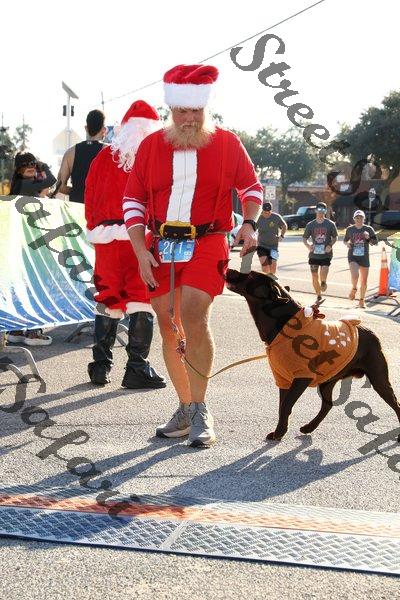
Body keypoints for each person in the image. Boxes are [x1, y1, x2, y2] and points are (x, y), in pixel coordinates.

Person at [123, 63, 263, 448]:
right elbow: (133, 201)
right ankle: (185, 408)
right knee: (168, 323)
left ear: (205, 109)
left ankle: (201, 409)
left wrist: (249, 224)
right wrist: (139, 250)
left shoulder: (227, 143)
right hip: (160, 245)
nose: (188, 118)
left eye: (195, 111)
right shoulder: (151, 146)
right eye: (182, 110)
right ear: (170, 110)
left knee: (193, 314)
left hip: (208, 240)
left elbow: (251, 189)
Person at [84, 101, 166, 389]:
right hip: (140, 237)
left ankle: (100, 366)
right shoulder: (154, 156)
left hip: (106, 237)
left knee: (108, 296)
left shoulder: (103, 157)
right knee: (141, 298)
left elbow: (90, 194)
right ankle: (136, 367)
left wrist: (95, 228)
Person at [7, 152, 56, 346]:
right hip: (29, 246)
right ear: (18, 169)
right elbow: (51, 180)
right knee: (35, 286)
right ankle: (33, 333)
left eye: (33, 164)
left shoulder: (22, 186)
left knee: (23, 286)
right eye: (26, 164)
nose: (31, 167)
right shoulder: (24, 185)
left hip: (25, 244)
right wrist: (43, 165)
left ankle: (16, 330)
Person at [57, 109, 106, 203]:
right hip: (100, 207)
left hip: (77, 207)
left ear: (86, 128)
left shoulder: (70, 153)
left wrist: (77, 191)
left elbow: (60, 186)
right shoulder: (108, 152)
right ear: (104, 129)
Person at [303, 201, 338, 301]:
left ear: (325, 211)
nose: (321, 211)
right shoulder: (310, 225)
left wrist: (330, 245)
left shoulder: (330, 224)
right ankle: (318, 295)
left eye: (323, 209)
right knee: (314, 276)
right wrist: (308, 246)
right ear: (316, 210)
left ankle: (323, 281)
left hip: (326, 254)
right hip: (314, 254)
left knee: (324, 270)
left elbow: (335, 237)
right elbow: (305, 238)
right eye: (319, 209)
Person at [343, 209, 378, 309]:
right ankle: (354, 288)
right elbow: (345, 240)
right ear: (354, 219)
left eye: (361, 217)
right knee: (355, 276)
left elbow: (375, 243)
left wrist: (368, 238)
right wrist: (347, 244)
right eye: (357, 218)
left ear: (364, 219)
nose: (359, 219)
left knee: (364, 281)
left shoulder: (369, 229)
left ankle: (362, 300)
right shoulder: (350, 229)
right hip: (353, 256)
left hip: (364, 257)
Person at [256, 202, 287, 274]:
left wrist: (282, 236)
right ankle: (266, 280)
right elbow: (253, 229)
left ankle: (271, 280)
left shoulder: (276, 217)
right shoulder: (258, 218)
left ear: (271, 210)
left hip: (274, 246)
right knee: (265, 268)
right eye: (265, 212)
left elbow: (284, 226)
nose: (267, 214)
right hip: (262, 245)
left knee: (273, 266)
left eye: (269, 212)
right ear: (262, 210)